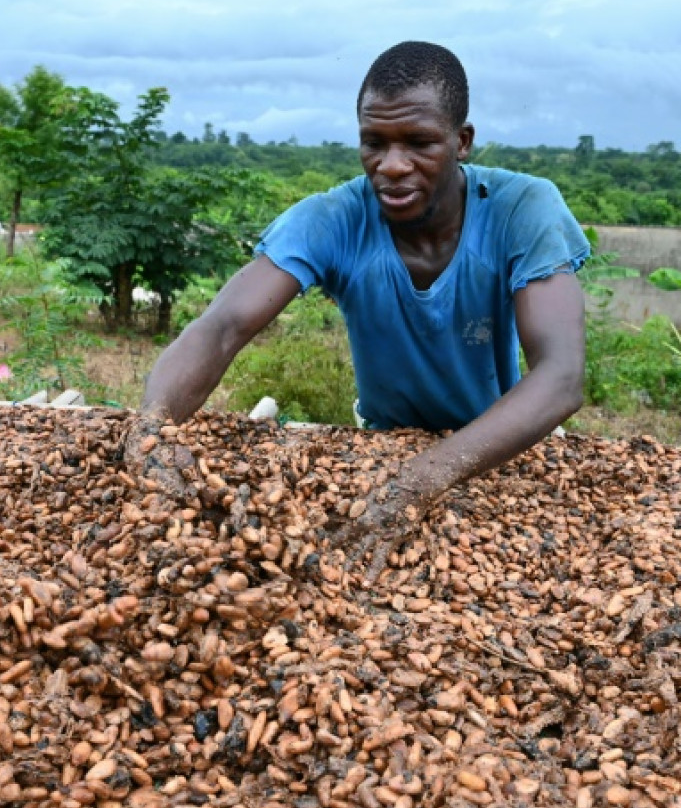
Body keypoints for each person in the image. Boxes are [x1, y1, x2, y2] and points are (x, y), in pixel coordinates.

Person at [128, 41, 589, 579]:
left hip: (504, 447)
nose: (392, 166)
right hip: (384, 445)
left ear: (462, 141)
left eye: (418, 143)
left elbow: (561, 376)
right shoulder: (334, 218)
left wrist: (418, 483)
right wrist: (152, 432)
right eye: (374, 143)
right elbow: (223, 326)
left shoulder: (522, 209)